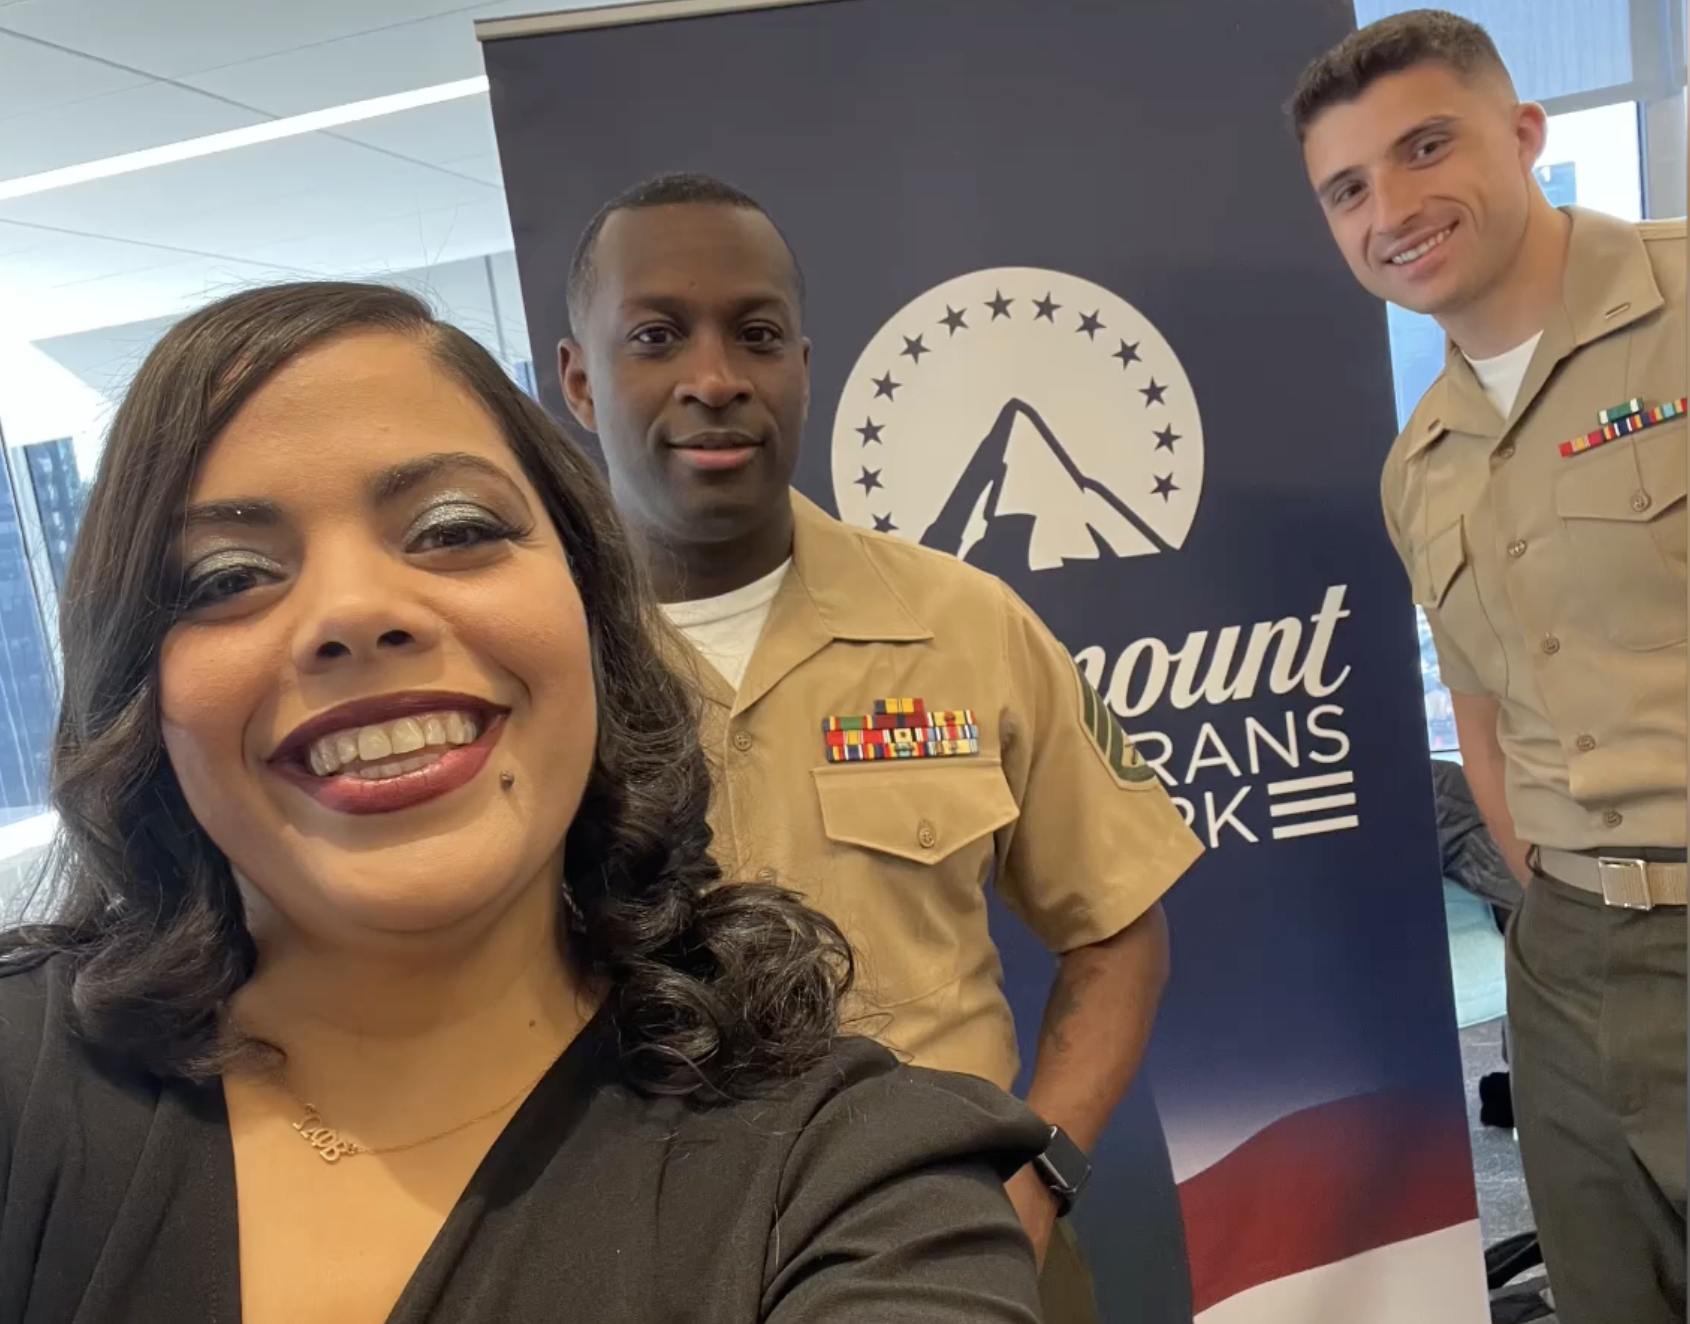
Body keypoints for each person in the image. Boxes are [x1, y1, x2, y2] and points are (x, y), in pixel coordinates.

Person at [0, 282, 1054, 1324]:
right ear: (141, 689)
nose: (357, 612)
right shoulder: (26, 1082)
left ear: (592, 612)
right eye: (227, 576)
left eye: (453, 527)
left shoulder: (863, 1187)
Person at [558, 173, 1204, 1324]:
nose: (714, 378)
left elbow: (1118, 932)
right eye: (656, 336)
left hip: (955, 1243)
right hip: (642, 1268)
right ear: (577, 377)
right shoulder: (526, 666)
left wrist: (1039, 1175)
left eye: (755, 335)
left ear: (802, 363)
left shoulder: (966, 625)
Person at [1292, 13, 1686, 1322]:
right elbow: (1481, 714)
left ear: (1523, 135)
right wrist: (1563, 905)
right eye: (1347, 188)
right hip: (1565, 960)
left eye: (1422, 149)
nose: (1389, 208)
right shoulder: (1422, 464)